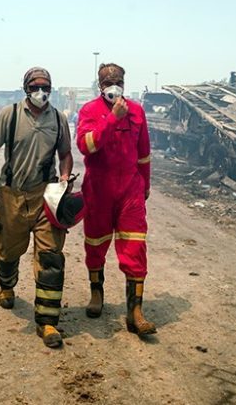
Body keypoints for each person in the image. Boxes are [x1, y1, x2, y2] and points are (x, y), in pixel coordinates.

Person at [0, 67, 73, 348]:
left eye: (45, 87)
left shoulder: (58, 119)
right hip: (12, 196)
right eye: (35, 87)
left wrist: (65, 177)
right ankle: (7, 284)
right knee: (8, 252)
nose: (41, 92)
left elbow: (65, 154)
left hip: (45, 197)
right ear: (26, 88)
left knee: (51, 258)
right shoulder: (11, 114)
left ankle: (47, 322)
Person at [76, 63, 156, 336]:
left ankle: (136, 311)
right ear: (100, 85)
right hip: (99, 190)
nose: (114, 86)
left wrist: (145, 185)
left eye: (118, 81)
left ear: (124, 82)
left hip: (130, 191)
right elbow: (85, 146)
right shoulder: (89, 111)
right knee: (95, 244)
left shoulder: (137, 111)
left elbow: (144, 153)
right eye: (108, 82)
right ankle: (96, 294)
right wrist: (112, 119)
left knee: (135, 246)